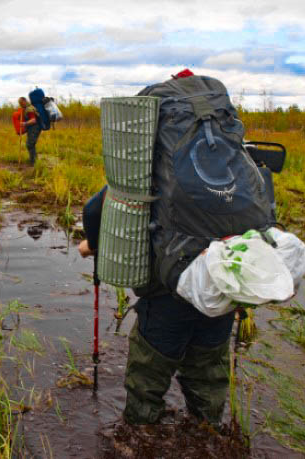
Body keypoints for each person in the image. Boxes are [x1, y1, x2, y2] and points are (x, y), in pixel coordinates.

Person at [78, 71, 236, 426]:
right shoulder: (233, 165)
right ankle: (207, 431)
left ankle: (140, 434)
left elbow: (93, 210)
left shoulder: (145, 172)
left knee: (147, 380)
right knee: (209, 378)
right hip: (222, 293)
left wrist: (94, 246)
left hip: (168, 295)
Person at [18, 97, 41, 166]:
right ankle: (33, 160)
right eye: (20, 104)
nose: (21, 105)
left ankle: (33, 162)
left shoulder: (29, 109)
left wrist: (24, 123)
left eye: (21, 103)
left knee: (30, 144)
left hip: (35, 128)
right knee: (30, 144)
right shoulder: (26, 108)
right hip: (31, 128)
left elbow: (33, 120)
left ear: (25, 101)